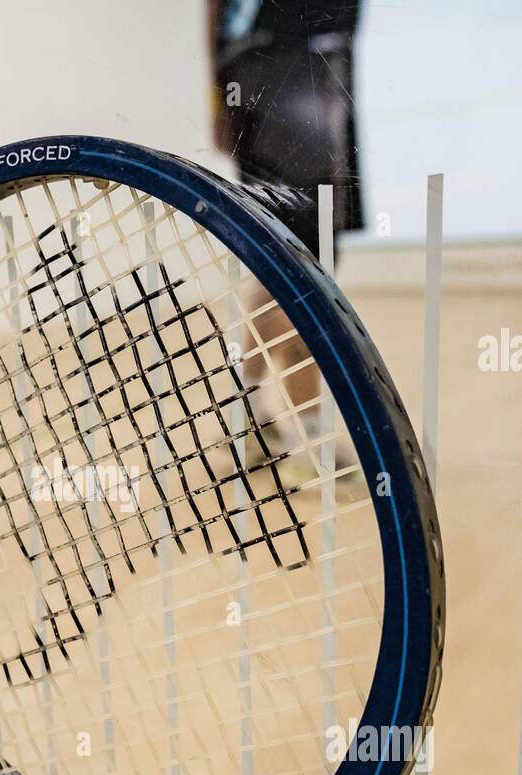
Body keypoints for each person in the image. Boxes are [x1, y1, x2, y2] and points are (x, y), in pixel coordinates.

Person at [206, 0, 365, 467]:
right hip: (283, 75)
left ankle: (247, 421)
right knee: (304, 268)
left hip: (318, 70)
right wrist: (217, 94)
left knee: (291, 265)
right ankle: (306, 431)